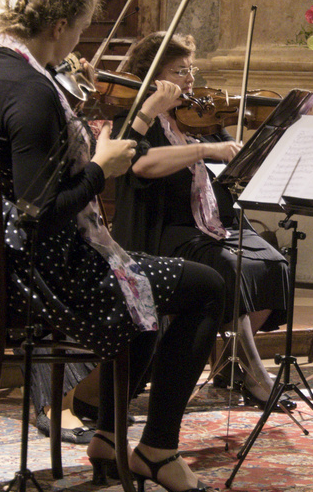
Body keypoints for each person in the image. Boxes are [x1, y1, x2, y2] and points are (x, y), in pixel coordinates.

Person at [0, 0, 227, 492]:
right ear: (58, 26)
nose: (78, 43)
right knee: (206, 286)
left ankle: (107, 437)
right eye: (77, 30)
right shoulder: (30, 93)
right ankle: (159, 449)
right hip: (43, 278)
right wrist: (103, 168)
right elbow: (41, 211)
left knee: (151, 284)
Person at [111, 32, 294, 411]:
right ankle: (256, 374)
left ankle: (230, 361)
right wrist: (207, 150)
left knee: (275, 264)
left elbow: (236, 160)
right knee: (230, 266)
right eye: (179, 71)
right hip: (165, 229)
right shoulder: (134, 119)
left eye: (191, 69)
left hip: (212, 225)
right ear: (154, 77)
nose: (190, 79)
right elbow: (142, 165)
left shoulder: (199, 115)